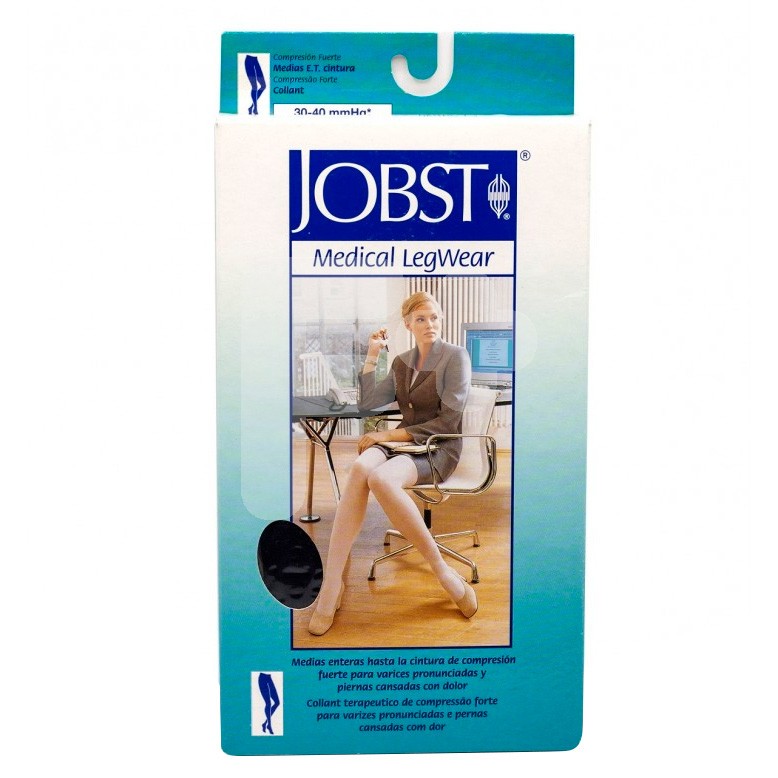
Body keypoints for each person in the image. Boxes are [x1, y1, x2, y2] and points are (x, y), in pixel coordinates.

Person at [308, 292, 476, 635]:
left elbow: (447, 423)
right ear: (408, 325)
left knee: (381, 480)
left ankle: (443, 572)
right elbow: (368, 403)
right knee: (360, 469)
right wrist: (372, 356)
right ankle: (332, 583)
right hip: (404, 442)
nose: (429, 324)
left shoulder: (455, 357)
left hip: (437, 447)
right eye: (421, 319)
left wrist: (386, 435)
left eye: (434, 317)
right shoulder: (401, 362)